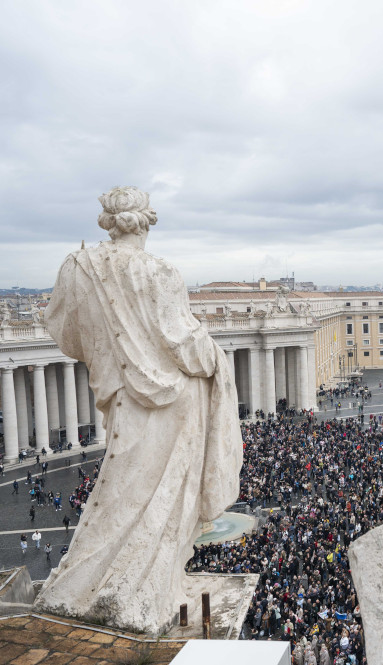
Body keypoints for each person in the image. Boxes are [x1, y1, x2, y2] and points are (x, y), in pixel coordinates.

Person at [35, 186, 243, 634]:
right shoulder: (160, 271)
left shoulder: (76, 267)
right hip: (174, 402)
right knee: (154, 497)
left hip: (123, 393)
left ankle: (113, 586)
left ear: (108, 222)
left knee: (122, 488)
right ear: (146, 221)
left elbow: (65, 333)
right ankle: (135, 591)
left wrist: (111, 347)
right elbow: (183, 344)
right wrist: (215, 357)